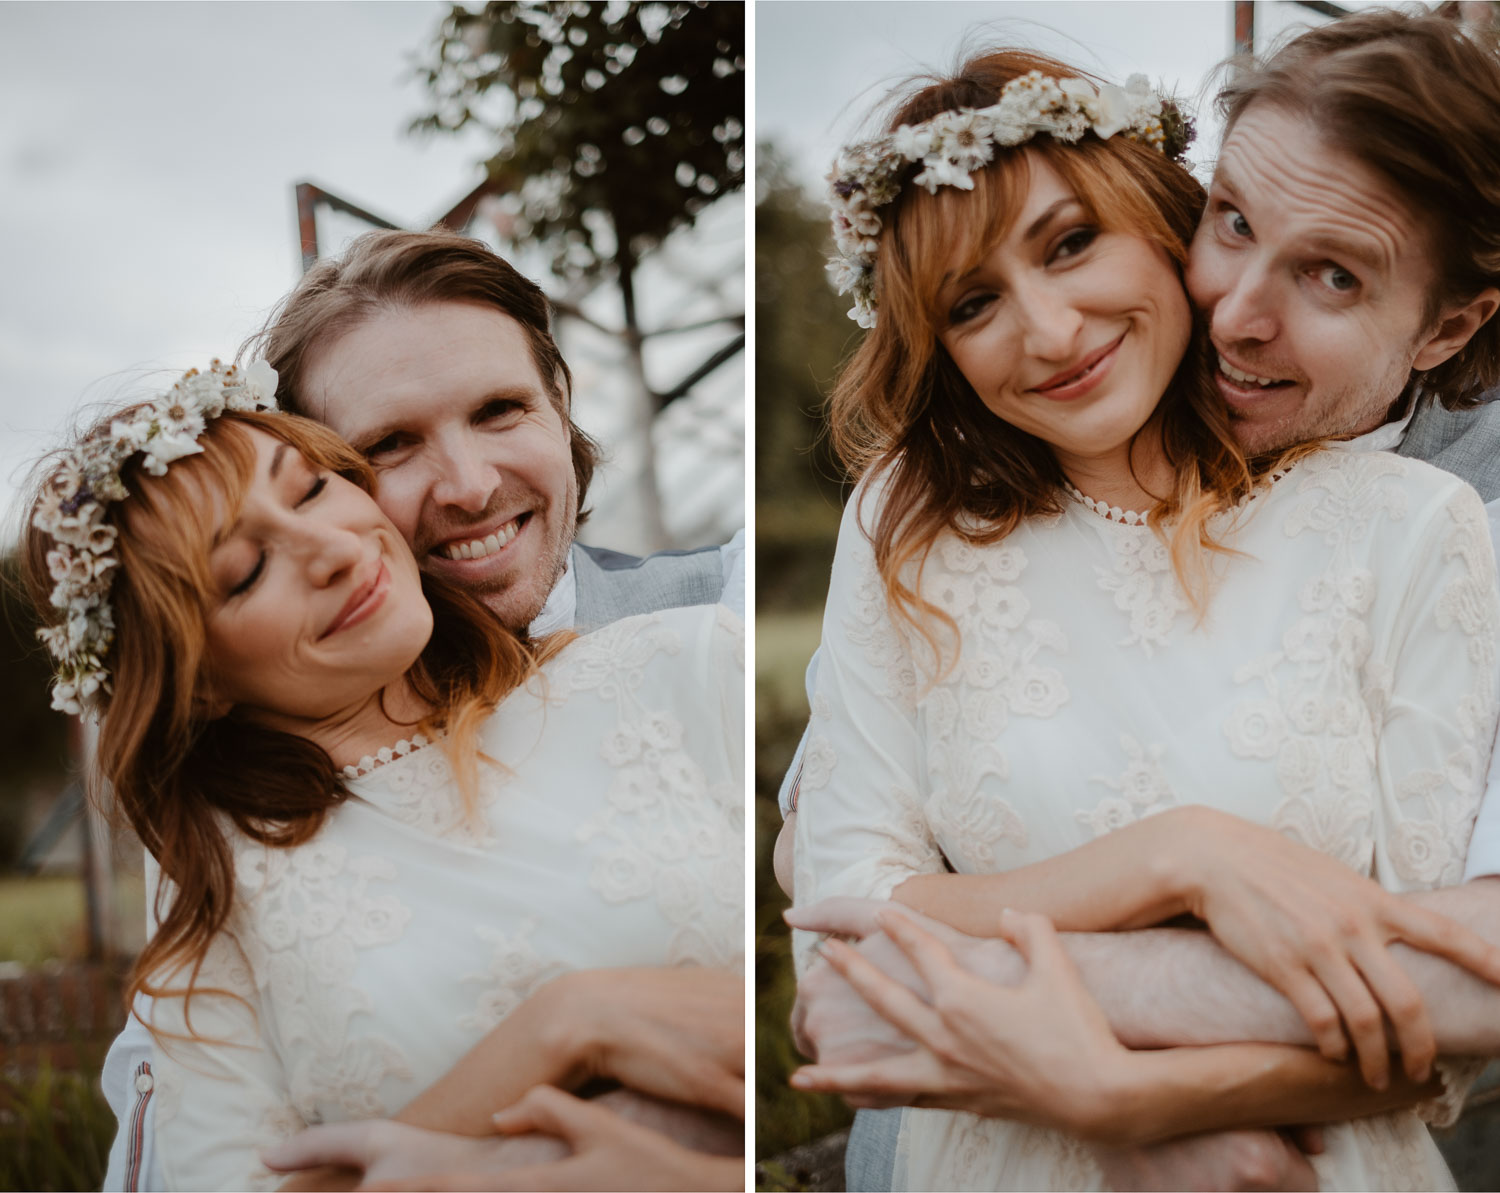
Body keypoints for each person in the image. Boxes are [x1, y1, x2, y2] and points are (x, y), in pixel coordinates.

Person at [785, 11, 1500, 1189]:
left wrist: (1130, 1097)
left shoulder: (1413, 526)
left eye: (1071, 244)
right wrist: (1181, 860)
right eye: (971, 303)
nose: (1051, 330)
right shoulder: (911, 524)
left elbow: (1424, 1010)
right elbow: (839, 931)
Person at [96, 230, 746, 1191]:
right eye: (389, 444)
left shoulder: (699, 638)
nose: (471, 485)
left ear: (562, 409)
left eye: (501, 410)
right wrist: (564, 1030)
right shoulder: (224, 867)